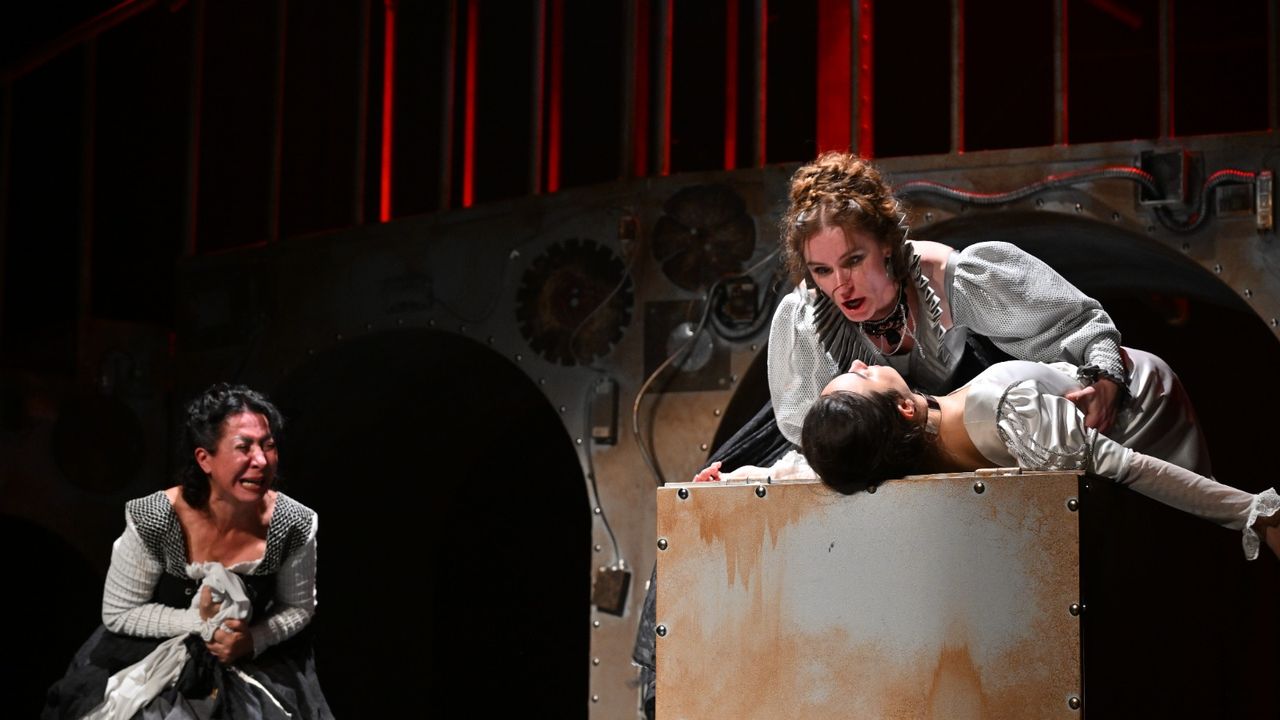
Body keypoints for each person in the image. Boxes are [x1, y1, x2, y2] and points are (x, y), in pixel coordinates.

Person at [769, 151, 1140, 450]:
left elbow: (1079, 325)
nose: (840, 285)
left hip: (986, 438)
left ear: (885, 244)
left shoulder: (956, 280)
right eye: (822, 270)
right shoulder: (807, 319)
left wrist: (1107, 380)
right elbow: (815, 433)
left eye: (853, 260)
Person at [796, 358, 1280, 561]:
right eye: (861, 376)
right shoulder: (1001, 416)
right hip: (1128, 428)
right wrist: (1255, 513)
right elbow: (1131, 467)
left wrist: (1252, 513)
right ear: (904, 409)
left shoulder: (882, 456)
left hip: (1133, 396)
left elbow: (1124, 463)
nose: (858, 363)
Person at [43, 383, 332, 720]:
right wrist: (199, 623)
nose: (261, 460)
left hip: (250, 662)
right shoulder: (156, 518)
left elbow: (298, 607)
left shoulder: (294, 522)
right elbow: (119, 613)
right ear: (205, 459)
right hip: (149, 655)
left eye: (268, 446)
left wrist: (252, 639)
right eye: (244, 447)